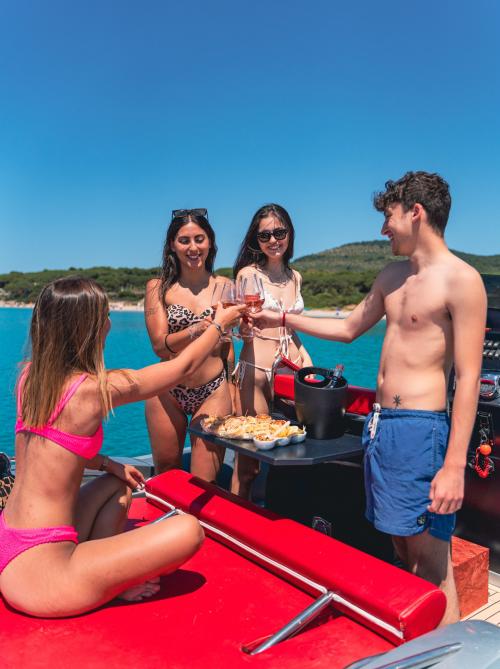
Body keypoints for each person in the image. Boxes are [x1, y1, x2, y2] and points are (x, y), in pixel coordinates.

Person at [253, 172, 486, 624]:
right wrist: (278, 316)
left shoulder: (463, 281)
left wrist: (455, 465)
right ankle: (417, 648)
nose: (383, 230)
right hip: (383, 428)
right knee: (399, 550)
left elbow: (471, 378)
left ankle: (447, 654)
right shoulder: (393, 276)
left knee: (430, 565)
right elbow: (347, 328)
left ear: (415, 212)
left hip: (423, 429)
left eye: (389, 217)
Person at [0, 276, 243, 617]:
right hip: (42, 576)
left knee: (119, 485)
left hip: (11, 540)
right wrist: (219, 325)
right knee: (188, 531)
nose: (110, 322)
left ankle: (100, 567)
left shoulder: (31, 377)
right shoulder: (93, 391)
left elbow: (54, 447)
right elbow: (182, 368)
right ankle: (110, 584)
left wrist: (107, 464)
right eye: (105, 315)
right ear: (93, 328)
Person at [144, 209, 236, 482]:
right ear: (172, 245)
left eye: (200, 239)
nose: (193, 247)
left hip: (213, 391)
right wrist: (200, 328)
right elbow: (160, 347)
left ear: (210, 242)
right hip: (166, 389)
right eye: (184, 240)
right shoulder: (157, 288)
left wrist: (233, 390)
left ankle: (197, 526)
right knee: (166, 475)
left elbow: (228, 348)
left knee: (203, 483)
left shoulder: (226, 286)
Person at [232, 203, 312, 498]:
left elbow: (292, 329)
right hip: (256, 368)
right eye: (264, 235)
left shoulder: (296, 277)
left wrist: (306, 360)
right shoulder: (248, 275)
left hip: (291, 367)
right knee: (249, 461)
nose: (273, 240)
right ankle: (237, 523)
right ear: (256, 240)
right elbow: (240, 324)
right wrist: (241, 330)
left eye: (279, 232)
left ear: (290, 234)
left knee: (293, 450)